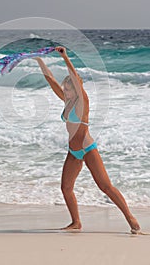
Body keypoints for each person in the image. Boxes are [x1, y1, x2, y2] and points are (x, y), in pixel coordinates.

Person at [34, 46, 140, 233]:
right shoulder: (67, 102)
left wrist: (65, 57)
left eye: (69, 89)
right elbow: (51, 80)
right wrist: (39, 60)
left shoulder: (83, 102)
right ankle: (76, 222)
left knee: (105, 186)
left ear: (76, 89)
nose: (65, 92)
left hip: (87, 148)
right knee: (66, 188)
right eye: (65, 89)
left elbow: (75, 77)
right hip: (73, 151)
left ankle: (130, 217)